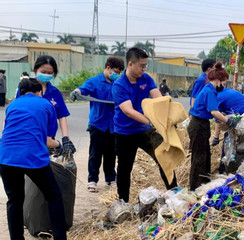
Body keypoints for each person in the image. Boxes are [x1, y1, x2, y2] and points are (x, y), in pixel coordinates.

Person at [0, 78, 67, 240]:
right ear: (40, 92)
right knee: (53, 196)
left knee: (14, 200)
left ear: (20, 92)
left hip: (6, 158)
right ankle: (60, 237)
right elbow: (48, 141)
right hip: (33, 158)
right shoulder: (46, 105)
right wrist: (61, 144)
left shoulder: (12, 105)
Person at [112, 47, 177, 203]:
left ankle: (174, 194)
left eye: (145, 65)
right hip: (125, 132)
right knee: (124, 169)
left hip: (145, 131)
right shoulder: (119, 85)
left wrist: (168, 116)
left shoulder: (146, 79)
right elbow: (128, 111)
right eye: (141, 65)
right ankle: (123, 203)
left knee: (164, 159)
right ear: (130, 64)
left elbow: (158, 99)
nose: (144, 68)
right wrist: (151, 121)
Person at [70, 57, 124, 192]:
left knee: (111, 154)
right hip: (98, 123)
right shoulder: (94, 82)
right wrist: (76, 92)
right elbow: (82, 89)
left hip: (113, 125)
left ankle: (111, 179)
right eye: (115, 71)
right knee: (95, 154)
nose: (116, 74)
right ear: (108, 68)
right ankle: (92, 180)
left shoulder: (118, 84)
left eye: (118, 72)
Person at [188, 62, 239, 191]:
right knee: (198, 158)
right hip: (198, 125)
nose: (224, 85)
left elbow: (215, 110)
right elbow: (214, 112)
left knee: (205, 156)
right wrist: (228, 121)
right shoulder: (209, 91)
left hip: (202, 124)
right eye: (224, 82)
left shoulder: (210, 90)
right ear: (218, 80)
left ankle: (204, 182)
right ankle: (195, 187)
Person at [31, 55, 76, 155]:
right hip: (29, 138)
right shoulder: (25, 89)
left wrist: (65, 138)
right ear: (35, 69)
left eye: (50, 73)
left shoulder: (55, 92)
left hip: (50, 141)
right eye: (43, 72)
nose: (46, 74)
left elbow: (62, 115)